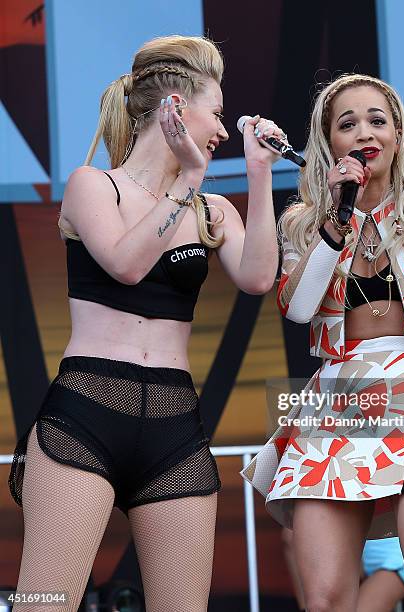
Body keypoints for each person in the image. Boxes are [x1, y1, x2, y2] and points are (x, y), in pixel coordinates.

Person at [9, 35, 283, 612]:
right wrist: (185, 179)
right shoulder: (94, 186)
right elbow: (127, 265)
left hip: (174, 425)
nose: (224, 129)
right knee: (45, 603)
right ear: (176, 108)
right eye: (218, 111)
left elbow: (258, 277)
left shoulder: (214, 209)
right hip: (85, 416)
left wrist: (259, 175)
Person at [242, 74, 404, 611]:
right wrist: (338, 215)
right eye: (348, 123)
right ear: (328, 142)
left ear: (400, 135)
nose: (364, 133)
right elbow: (298, 307)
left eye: (378, 121)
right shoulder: (306, 224)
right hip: (338, 392)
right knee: (327, 598)